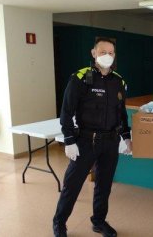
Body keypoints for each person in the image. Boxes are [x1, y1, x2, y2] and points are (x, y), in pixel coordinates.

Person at [53, 37, 132, 237]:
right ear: (93, 53)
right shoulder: (80, 78)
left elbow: (121, 113)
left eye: (111, 53)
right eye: (103, 52)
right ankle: (59, 223)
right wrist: (69, 140)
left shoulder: (119, 81)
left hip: (110, 143)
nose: (107, 56)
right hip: (86, 142)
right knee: (72, 186)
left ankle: (98, 221)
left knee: (104, 186)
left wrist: (126, 137)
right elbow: (66, 113)